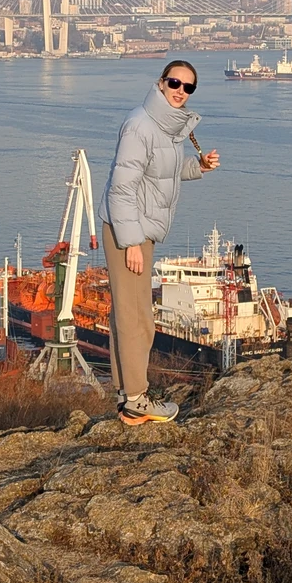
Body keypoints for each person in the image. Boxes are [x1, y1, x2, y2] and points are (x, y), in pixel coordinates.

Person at [99, 60, 220, 425]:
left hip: (138, 229)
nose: (181, 90)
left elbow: (163, 171)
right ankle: (137, 401)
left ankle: (127, 396)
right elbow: (122, 188)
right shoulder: (140, 125)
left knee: (129, 314)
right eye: (175, 82)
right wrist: (132, 242)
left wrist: (198, 166)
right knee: (137, 318)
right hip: (128, 231)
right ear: (162, 82)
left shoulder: (164, 126)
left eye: (188, 87)